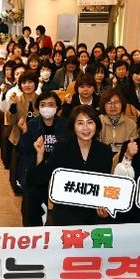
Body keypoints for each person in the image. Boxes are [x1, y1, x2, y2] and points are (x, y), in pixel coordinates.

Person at [31, 105, 113, 225]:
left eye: (90, 122)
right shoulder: (62, 148)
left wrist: (105, 208)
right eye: (80, 123)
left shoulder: (104, 151)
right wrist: (40, 154)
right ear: (73, 126)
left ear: (96, 125)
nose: (86, 128)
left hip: (94, 213)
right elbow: (40, 179)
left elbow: (105, 185)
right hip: (66, 211)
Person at [17, 91, 67, 226]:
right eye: (43, 105)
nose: (47, 108)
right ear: (38, 108)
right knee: (33, 211)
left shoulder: (65, 125)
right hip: (36, 172)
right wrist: (25, 132)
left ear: (57, 107)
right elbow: (24, 150)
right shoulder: (32, 124)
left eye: (51, 105)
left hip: (57, 173)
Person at [98, 87, 138, 153]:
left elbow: (133, 149)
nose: (113, 106)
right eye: (109, 102)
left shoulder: (131, 124)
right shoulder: (97, 122)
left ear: (122, 103)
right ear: (103, 105)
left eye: (116, 102)